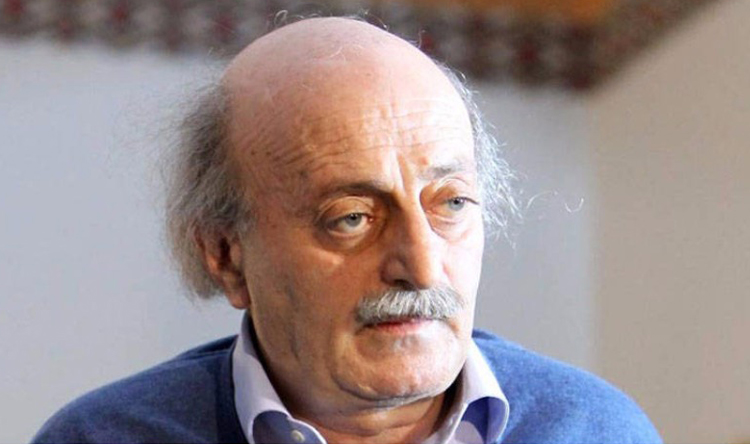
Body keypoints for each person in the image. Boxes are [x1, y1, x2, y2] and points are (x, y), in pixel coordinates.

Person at [32, 17, 661, 444]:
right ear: (225, 254)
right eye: (352, 218)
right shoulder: (103, 436)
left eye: (451, 204)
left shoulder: (597, 430)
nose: (421, 266)